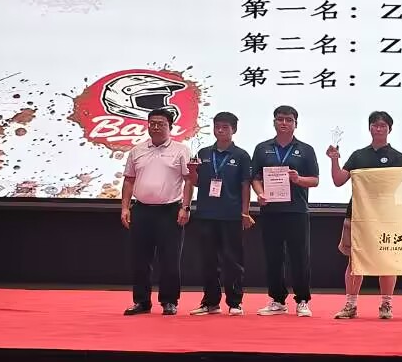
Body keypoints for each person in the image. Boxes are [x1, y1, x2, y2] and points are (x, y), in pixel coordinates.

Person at [328, 111, 402, 320]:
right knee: (355, 261)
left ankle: (386, 304)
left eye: (383, 125)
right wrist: (334, 160)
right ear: (369, 128)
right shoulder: (358, 155)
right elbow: (338, 180)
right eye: (375, 125)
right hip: (357, 214)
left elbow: (395, 185)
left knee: (386, 259)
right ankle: (351, 304)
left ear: (390, 129)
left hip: (384, 215)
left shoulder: (398, 157)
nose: (378, 129)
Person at [119, 109, 195, 315]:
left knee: (170, 259)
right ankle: (141, 301)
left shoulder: (181, 150)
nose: (155, 127)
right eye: (152, 123)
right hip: (141, 210)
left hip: (170, 211)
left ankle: (169, 301)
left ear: (170, 126)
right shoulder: (137, 150)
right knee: (140, 260)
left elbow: (189, 181)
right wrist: (125, 207)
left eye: (161, 123)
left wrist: (185, 207)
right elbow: (129, 180)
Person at [251, 105, 319, 317]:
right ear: (274, 122)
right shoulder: (262, 148)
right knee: (273, 257)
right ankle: (277, 300)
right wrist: (260, 194)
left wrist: (298, 179)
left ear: (295, 124)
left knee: (299, 257)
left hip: (297, 211)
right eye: (280, 119)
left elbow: (315, 180)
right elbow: (255, 178)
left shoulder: (306, 150)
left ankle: (303, 300)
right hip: (271, 211)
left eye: (289, 120)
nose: (284, 123)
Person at [189, 112, 254, 316]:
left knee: (233, 260)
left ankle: (235, 302)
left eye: (225, 127)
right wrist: (192, 171)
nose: (220, 130)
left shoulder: (241, 155)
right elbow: (196, 182)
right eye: (217, 126)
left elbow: (245, 185)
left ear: (234, 130)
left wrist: (245, 212)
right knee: (208, 260)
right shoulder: (203, 153)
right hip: (206, 213)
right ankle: (210, 302)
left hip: (231, 214)